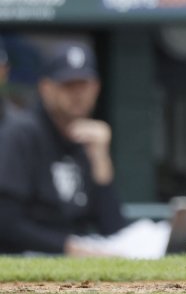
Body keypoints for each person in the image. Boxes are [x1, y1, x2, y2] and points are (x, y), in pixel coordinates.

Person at [0, 41, 128, 255]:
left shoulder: (89, 138)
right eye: (68, 85)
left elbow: (114, 228)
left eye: (84, 85)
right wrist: (66, 247)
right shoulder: (21, 132)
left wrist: (101, 160)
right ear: (46, 89)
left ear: (96, 88)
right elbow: (5, 222)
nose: (78, 94)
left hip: (78, 253)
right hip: (28, 257)